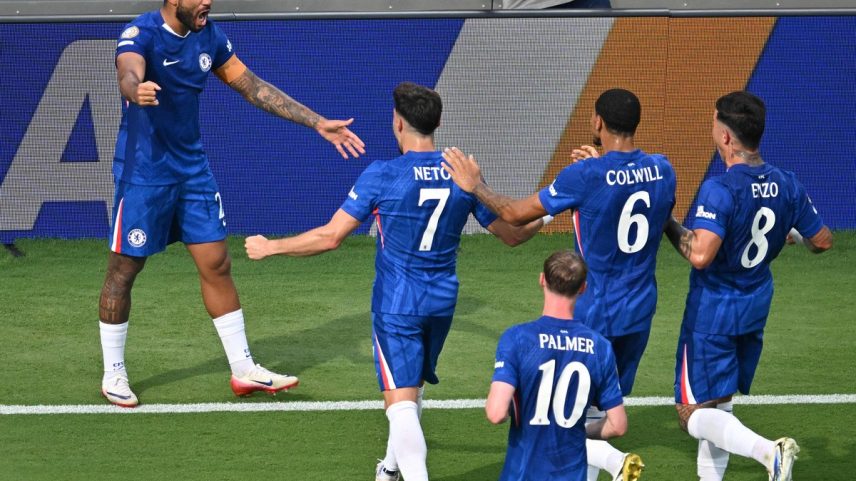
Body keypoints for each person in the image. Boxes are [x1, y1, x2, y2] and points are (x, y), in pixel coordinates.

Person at [244, 82, 544, 481]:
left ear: (398, 123)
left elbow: (331, 237)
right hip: (442, 302)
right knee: (411, 388)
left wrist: (272, 247)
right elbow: (513, 234)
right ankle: (389, 469)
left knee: (400, 404)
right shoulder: (463, 176)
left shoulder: (383, 174)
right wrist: (551, 212)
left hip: (397, 304)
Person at [99, 0, 366, 408]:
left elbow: (253, 87)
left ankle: (243, 369)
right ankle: (113, 372)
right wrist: (137, 89)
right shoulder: (142, 33)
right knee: (124, 269)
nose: (206, 1)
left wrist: (316, 122)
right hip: (144, 174)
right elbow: (128, 71)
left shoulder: (210, 35)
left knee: (217, 264)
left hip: (192, 173)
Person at [443, 88, 675, 481]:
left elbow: (515, 214)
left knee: (560, 415)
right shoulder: (663, 169)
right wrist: (601, 167)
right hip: (639, 312)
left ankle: (611, 462)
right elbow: (629, 196)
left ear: (597, 122)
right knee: (599, 409)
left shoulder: (583, 175)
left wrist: (475, 185)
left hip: (593, 311)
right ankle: (601, 464)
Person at [663, 91, 832, 481]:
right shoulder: (787, 184)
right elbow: (822, 240)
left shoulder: (720, 189)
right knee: (720, 402)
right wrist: (788, 230)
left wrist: (667, 221)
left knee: (691, 412)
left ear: (725, 137)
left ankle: (767, 451)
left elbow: (701, 254)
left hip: (713, 312)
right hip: (755, 305)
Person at [487, 250, 628, 481]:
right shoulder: (600, 347)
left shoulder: (517, 339)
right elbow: (618, 425)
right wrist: (581, 431)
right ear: (583, 287)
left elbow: (495, 414)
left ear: (542, 279)